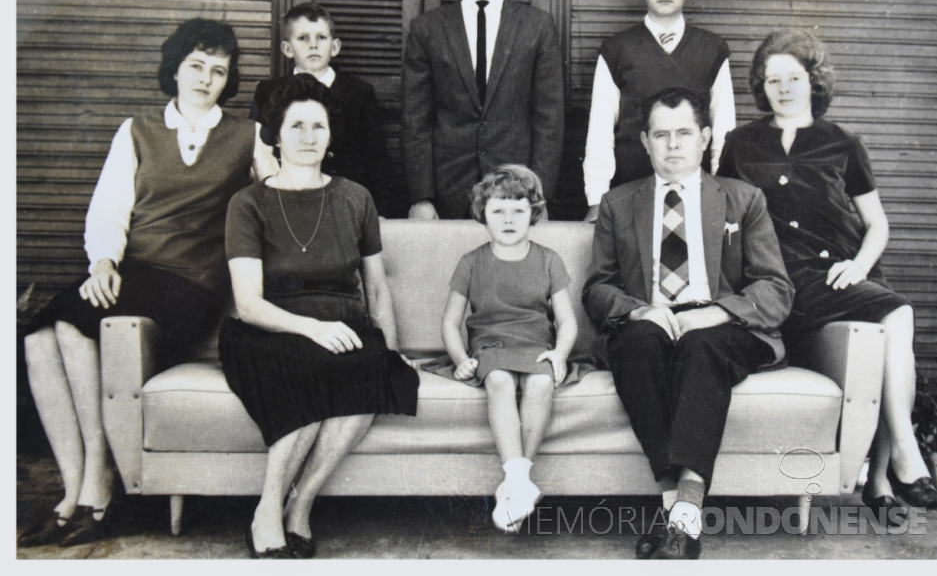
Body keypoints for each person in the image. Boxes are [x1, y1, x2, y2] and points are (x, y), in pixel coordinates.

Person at [19, 19, 278, 548]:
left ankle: (99, 484)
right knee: (38, 338)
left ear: (228, 80)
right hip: (134, 273)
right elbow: (109, 208)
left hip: (194, 284)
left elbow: (277, 197)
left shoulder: (246, 135)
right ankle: (72, 490)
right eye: (195, 66)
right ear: (175, 69)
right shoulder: (135, 130)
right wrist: (102, 264)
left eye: (218, 71)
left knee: (70, 329)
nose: (205, 78)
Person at [716, 28, 937, 515]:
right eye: (772, 79)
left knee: (895, 319)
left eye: (793, 78)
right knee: (890, 327)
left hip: (837, 276)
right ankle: (896, 468)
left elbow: (877, 224)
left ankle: (887, 473)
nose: (783, 88)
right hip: (776, 282)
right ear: (760, 85)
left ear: (813, 81)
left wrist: (859, 265)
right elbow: (720, 215)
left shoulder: (843, 142)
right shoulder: (739, 143)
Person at [582, 86, 793, 559]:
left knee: (703, 345)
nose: (673, 144)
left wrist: (717, 312)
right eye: (661, 135)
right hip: (653, 319)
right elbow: (597, 288)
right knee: (636, 342)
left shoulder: (743, 199)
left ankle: (682, 513)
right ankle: (677, 515)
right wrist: (639, 309)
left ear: (705, 138)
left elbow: (776, 288)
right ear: (645, 142)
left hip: (724, 323)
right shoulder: (618, 203)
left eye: (684, 133)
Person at [219, 74, 419, 558]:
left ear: (331, 137)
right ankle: (267, 508)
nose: (308, 137)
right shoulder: (248, 204)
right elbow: (248, 304)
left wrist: (390, 348)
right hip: (269, 330)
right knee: (308, 369)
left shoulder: (356, 198)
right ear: (276, 135)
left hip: (340, 329)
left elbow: (376, 286)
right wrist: (312, 328)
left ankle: (300, 504)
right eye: (296, 126)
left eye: (318, 127)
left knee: (376, 368)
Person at [422, 165, 583, 533]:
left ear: (534, 214)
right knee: (498, 380)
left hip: (536, 344)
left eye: (518, 210)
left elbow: (567, 320)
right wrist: (461, 359)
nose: (508, 220)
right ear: (483, 214)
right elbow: (450, 322)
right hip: (490, 344)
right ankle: (518, 478)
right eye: (498, 211)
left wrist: (559, 353)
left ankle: (516, 482)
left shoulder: (549, 259)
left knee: (541, 383)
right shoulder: (471, 261)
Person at [402, 0, 564, 220]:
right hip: (447, 191)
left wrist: (539, 197)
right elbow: (415, 119)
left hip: (517, 191)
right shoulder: (427, 28)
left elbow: (550, 120)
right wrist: (421, 197)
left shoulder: (537, 26)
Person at [582, 0, 736, 223]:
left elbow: (723, 129)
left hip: (695, 194)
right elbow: (600, 131)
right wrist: (596, 198)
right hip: (631, 190)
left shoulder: (712, 49)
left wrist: (722, 191)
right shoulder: (617, 49)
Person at [250, 2, 393, 216]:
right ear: (287, 49)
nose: (313, 45)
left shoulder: (359, 93)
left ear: (335, 47)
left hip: (343, 205)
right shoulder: (267, 92)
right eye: (303, 38)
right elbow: (257, 154)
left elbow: (377, 159)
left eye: (321, 37)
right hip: (285, 204)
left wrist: (379, 212)